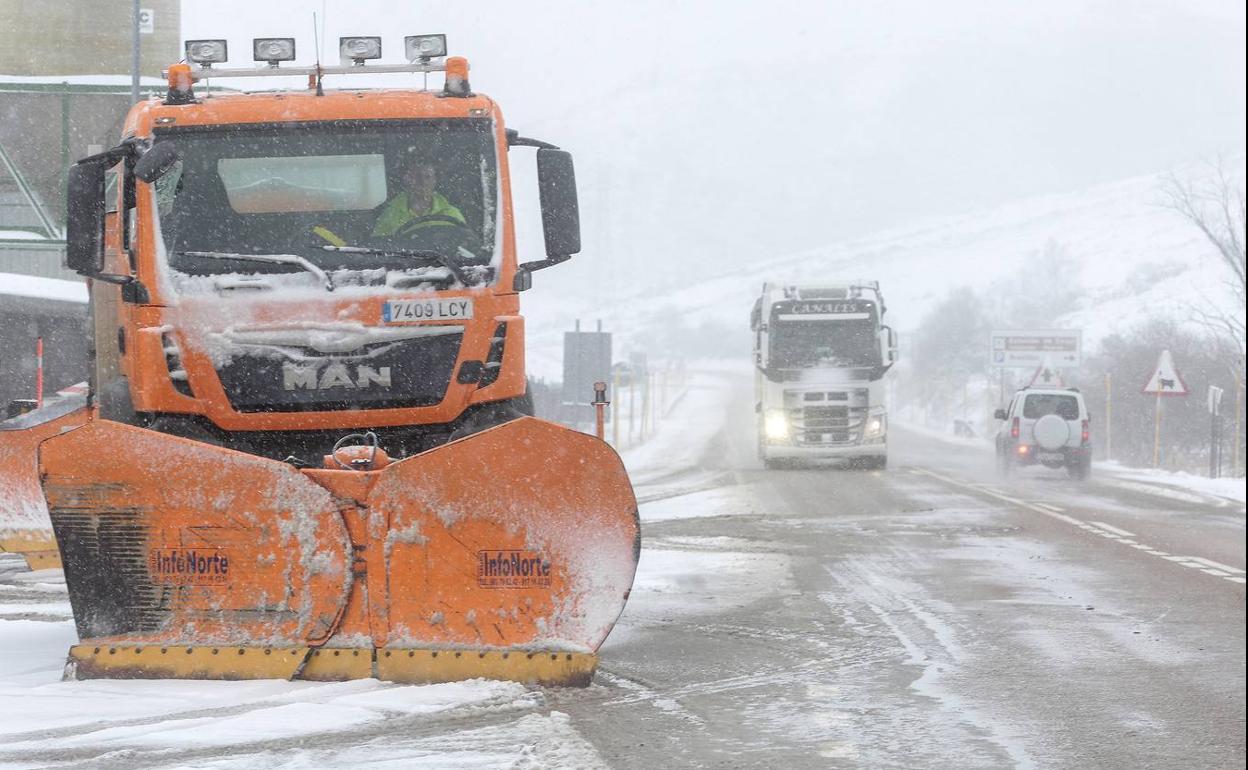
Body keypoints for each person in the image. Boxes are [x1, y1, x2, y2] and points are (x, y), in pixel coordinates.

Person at [372, 155, 468, 242]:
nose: (423, 182)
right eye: (417, 176)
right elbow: (379, 247)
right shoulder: (390, 214)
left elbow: (464, 246)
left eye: (428, 177)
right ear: (407, 180)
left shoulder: (452, 214)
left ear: (435, 180)